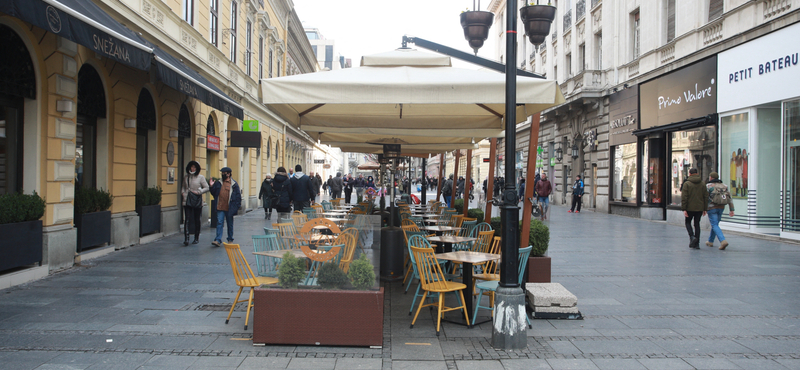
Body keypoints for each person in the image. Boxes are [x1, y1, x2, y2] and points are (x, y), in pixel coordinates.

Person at [209, 167, 241, 247]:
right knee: (219, 222)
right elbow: (214, 193)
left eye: (224, 173)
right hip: (220, 206)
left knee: (230, 224)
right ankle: (217, 240)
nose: (223, 174)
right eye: (222, 173)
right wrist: (211, 186)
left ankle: (230, 239)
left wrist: (236, 206)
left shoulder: (234, 184)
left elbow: (238, 196)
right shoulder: (219, 183)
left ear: (229, 174)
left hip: (229, 207)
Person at [181, 160, 209, 246]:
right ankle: (187, 238)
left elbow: (207, 187)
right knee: (187, 219)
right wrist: (183, 193)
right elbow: (183, 187)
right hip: (187, 200)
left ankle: (196, 238)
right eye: (191, 167)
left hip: (197, 200)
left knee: (197, 219)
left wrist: (199, 192)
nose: (192, 169)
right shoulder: (186, 177)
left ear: (197, 169)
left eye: (194, 167)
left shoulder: (201, 177)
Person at [681, 168, 709, 249]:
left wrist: (684, 209)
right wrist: (705, 208)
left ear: (689, 174)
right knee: (697, 224)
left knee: (688, 222)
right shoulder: (702, 184)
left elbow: (684, 197)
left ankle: (692, 237)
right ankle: (697, 244)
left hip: (689, 208)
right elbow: (705, 196)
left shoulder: (687, 184)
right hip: (699, 208)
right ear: (697, 173)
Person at [706, 172, 734, 250]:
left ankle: (722, 241)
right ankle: (710, 241)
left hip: (711, 207)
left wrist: (704, 208)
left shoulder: (708, 186)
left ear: (711, 177)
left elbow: (705, 198)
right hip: (721, 207)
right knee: (715, 224)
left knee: (714, 224)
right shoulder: (724, 186)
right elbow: (729, 198)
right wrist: (731, 209)